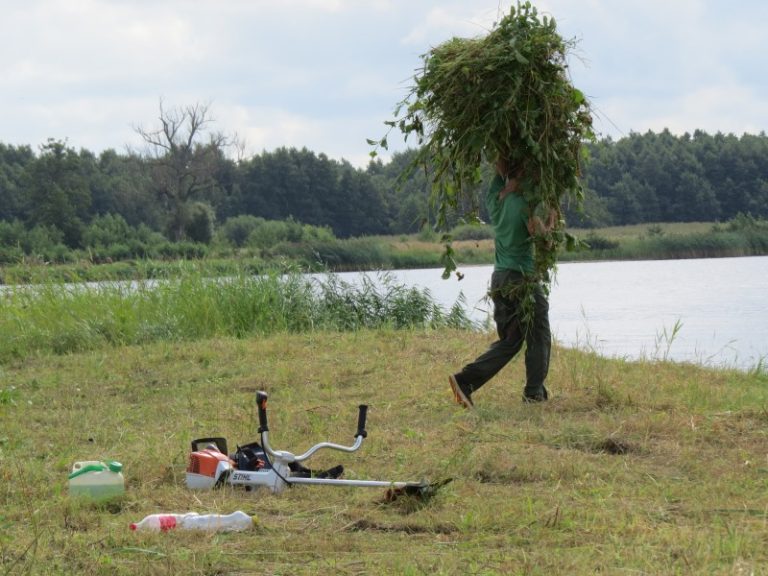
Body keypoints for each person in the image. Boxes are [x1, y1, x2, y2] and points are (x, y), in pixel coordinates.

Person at [449, 157, 556, 408]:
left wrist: (507, 164)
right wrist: (551, 220)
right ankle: (533, 393)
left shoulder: (495, 199)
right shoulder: (524, 207)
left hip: (499, 278)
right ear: (524, 176)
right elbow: (545, 241)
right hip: (522, 279)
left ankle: (465, 381)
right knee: (539, 333)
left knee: (511, 340)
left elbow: (498, 167)